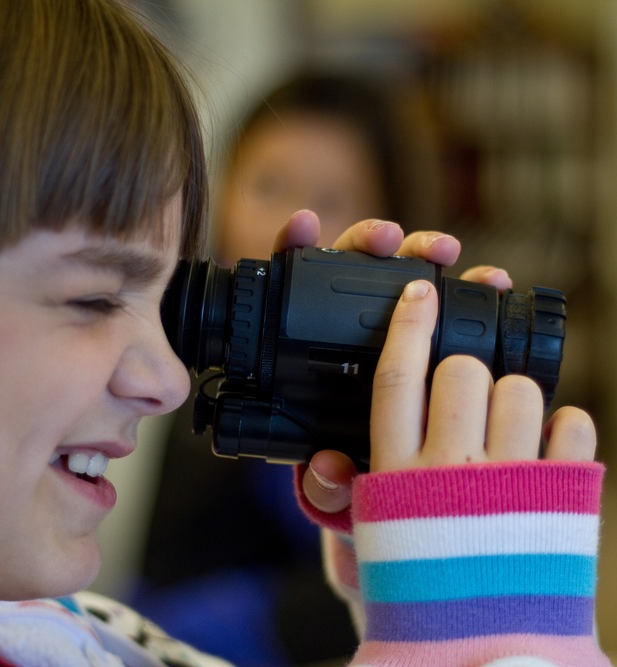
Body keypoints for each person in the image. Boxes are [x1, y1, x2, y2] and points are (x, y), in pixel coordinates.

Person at [0, 2, 610, 667]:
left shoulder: (87, 636)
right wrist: (493, 643)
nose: (170, 380)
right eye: (92, 297)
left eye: (161, 297)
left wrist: (399, 584)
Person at [131, 70, 446, 666]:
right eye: (266, 183)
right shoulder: (192, 346)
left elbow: (356, 601)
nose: (289, 226)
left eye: (330, 200)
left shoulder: (377, 398)